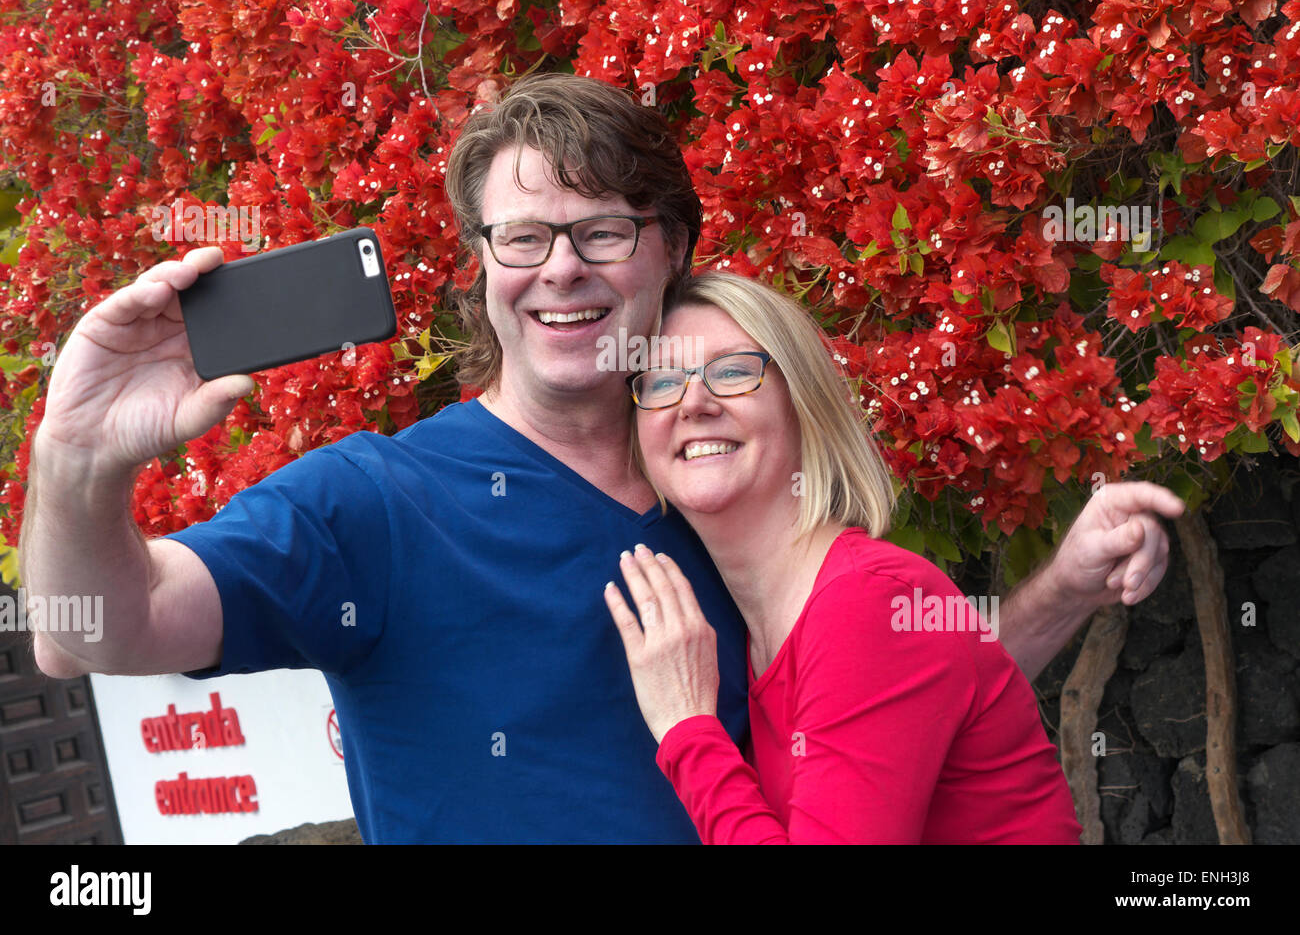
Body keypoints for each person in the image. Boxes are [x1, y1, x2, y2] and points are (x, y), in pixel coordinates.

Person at [21, 72, 1184, 843]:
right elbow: (87, 633)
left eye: (602, 230)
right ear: (483, 262)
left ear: (669, 248)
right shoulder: (373, 503)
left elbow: (896, 709)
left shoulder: (720, 483)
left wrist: (1057, 592)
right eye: (521, 235)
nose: (560, 268)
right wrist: (77, 459)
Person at [604, 272, 1084, 843]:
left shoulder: (870, 601)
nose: (695, 402)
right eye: (662, 382)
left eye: (732, 371)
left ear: (802, 404)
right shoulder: (749, 629)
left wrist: (688, 730)